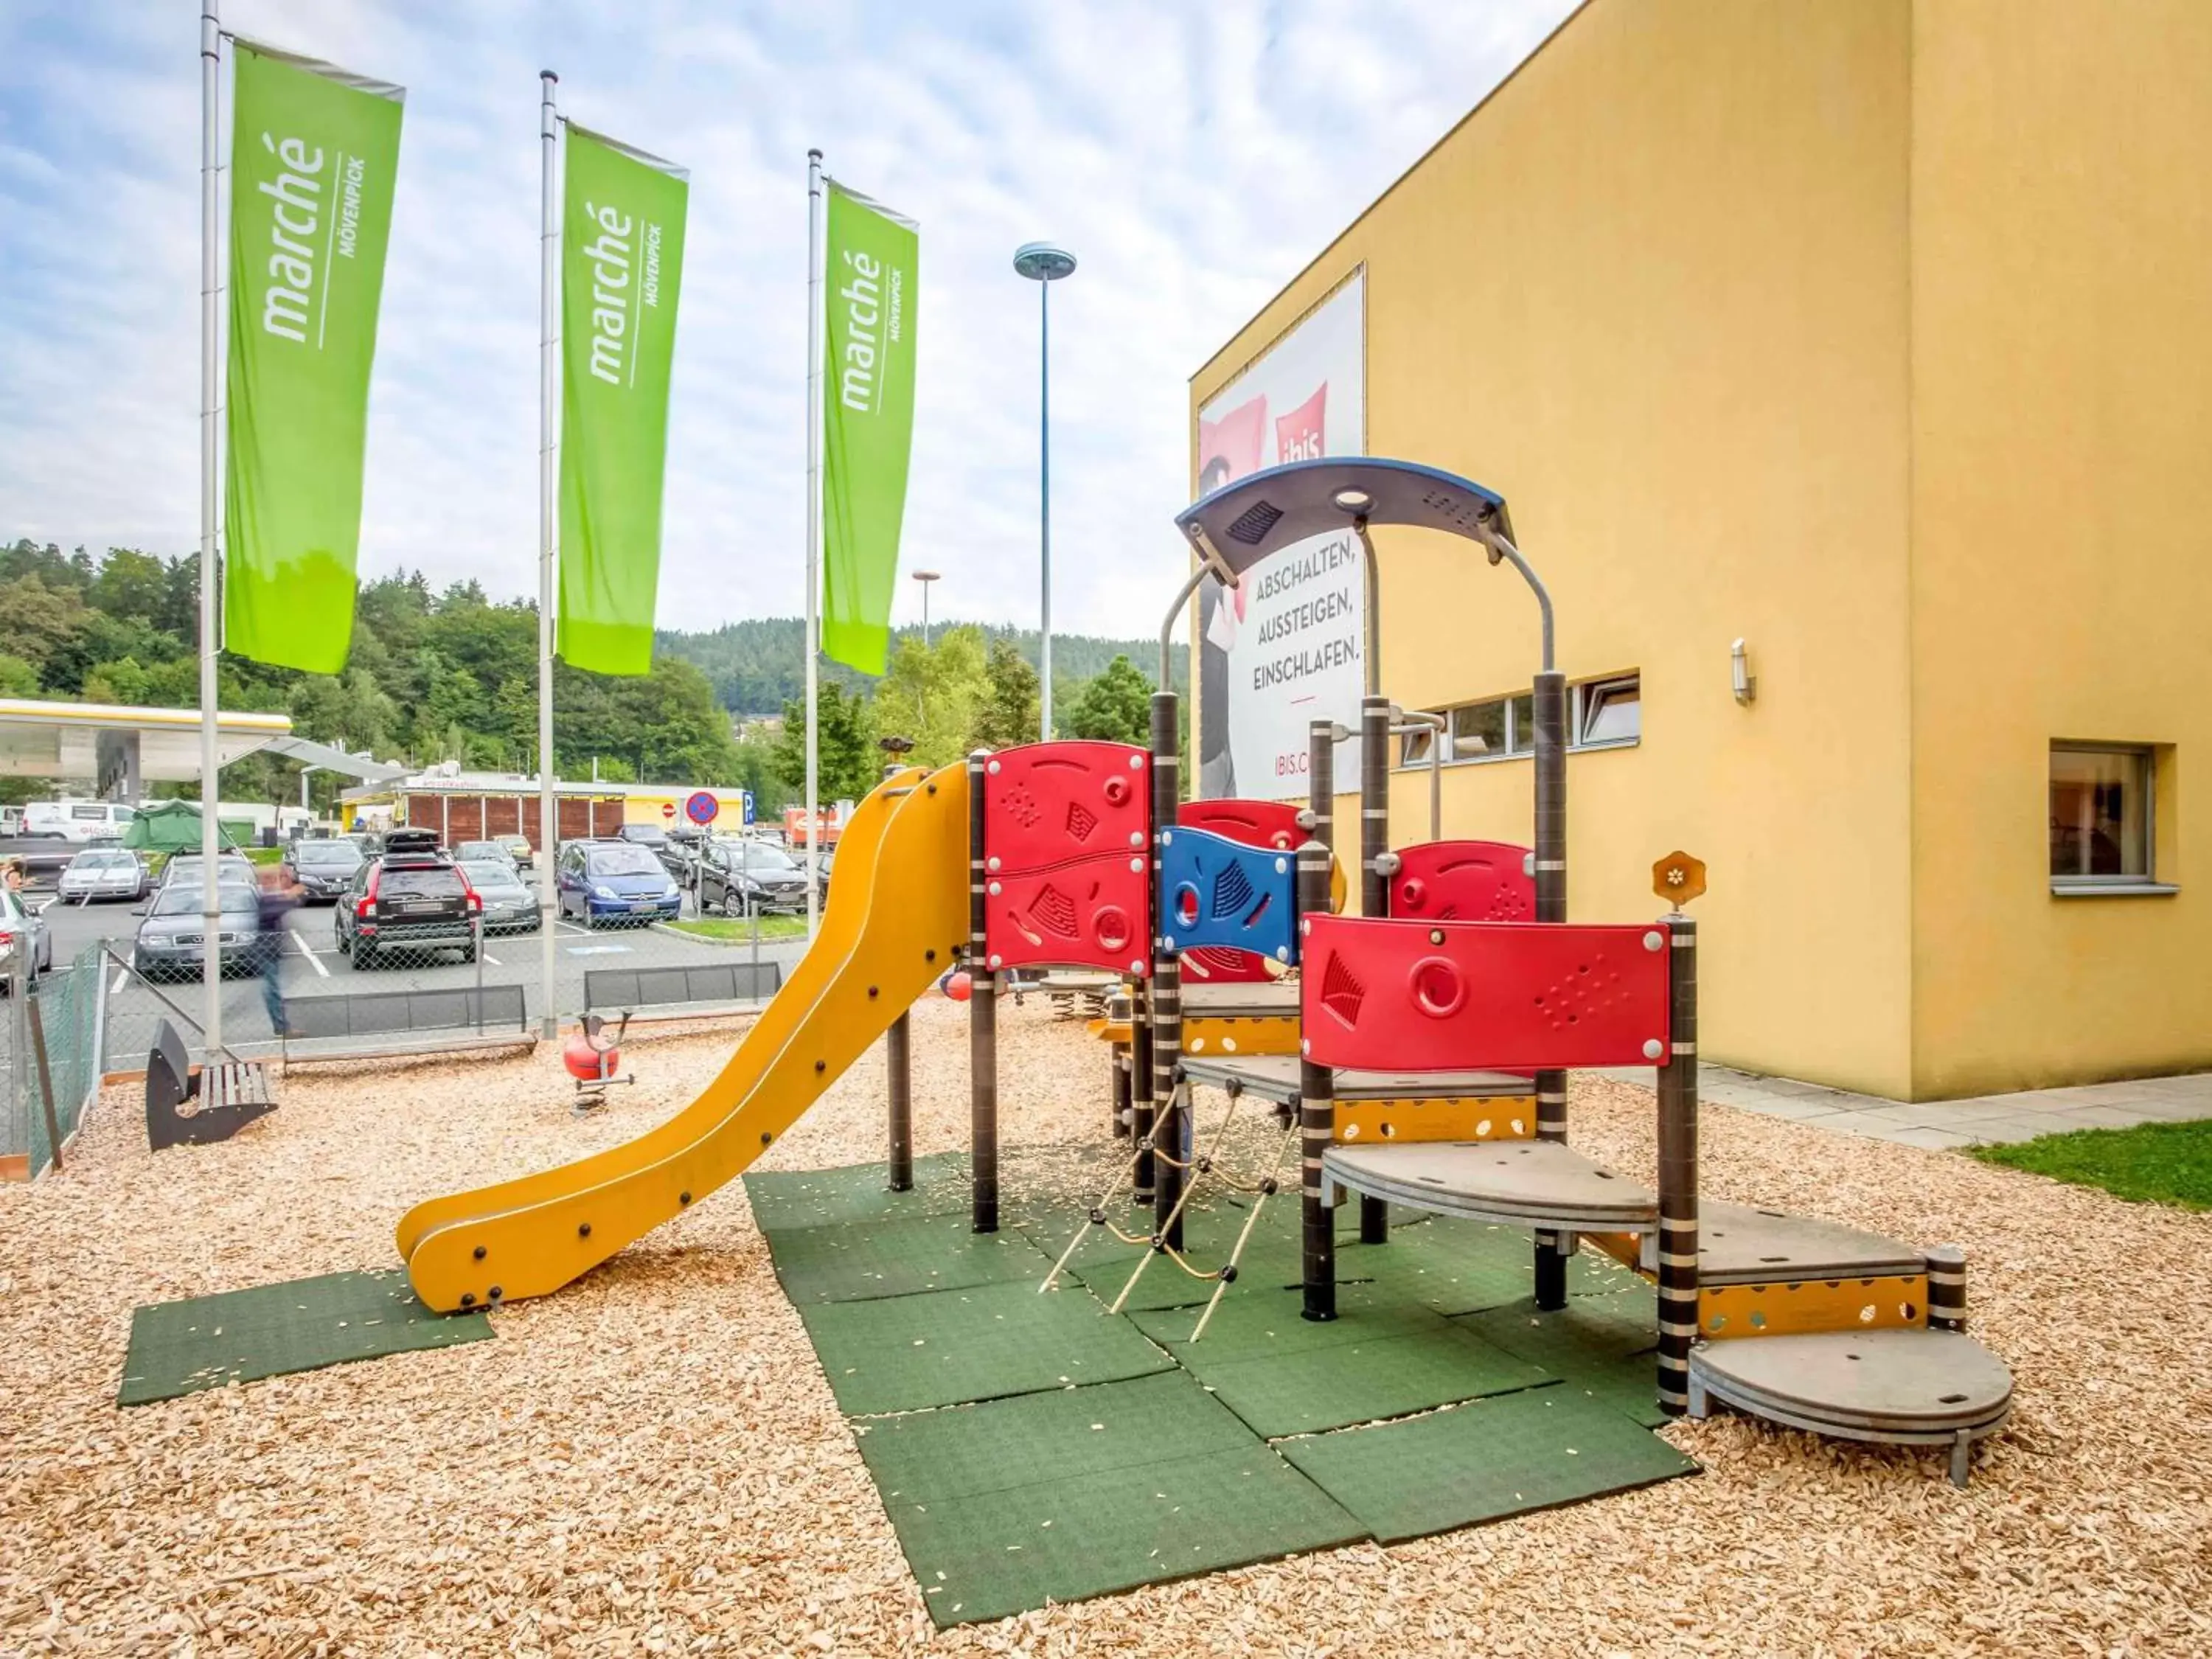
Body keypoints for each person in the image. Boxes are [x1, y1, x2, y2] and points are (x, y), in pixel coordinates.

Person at [254, 865, 303, 1035]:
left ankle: (281, 1024)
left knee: (273, 986)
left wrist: (290, 894)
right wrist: (290, 895)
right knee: (272, 988)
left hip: (270, 948)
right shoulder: (264, 897)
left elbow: (294, 901)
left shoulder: (270, 896)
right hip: (266, 948)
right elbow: (274, 909)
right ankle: (281, 1026)